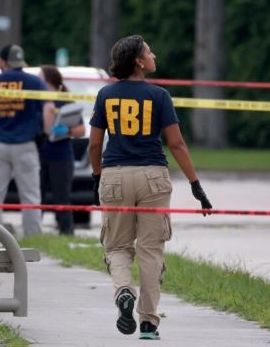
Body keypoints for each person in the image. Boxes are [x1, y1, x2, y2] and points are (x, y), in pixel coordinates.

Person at [88, 35, 213, 340]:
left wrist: (97, 177)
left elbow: (94, 144)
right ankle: (148, 322)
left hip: (115, 174)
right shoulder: (159, 96)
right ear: (139, 62)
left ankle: (123, 292)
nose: (154, 54)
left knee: (116, 246)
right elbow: (177, 143)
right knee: (150, 250)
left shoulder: (105, 94)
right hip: (153, 178)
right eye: (149, 52)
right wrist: (196, 185)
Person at [0, 44, 55, 238]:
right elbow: (49, 109)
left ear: (3, 62)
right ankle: (34, 239)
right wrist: (45, 134)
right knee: (30, 196)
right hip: (26, 145)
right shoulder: (34, 82)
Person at [38, 64, 86, 235]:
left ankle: (66, 232)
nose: (37, 80)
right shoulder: (36, 99)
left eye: (40, 76)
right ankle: (35, 232)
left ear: (49, 80)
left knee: (62, 197)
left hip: (61, 156)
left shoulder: (66, 100)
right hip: (39, 155)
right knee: (37, 197)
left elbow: (82, 130)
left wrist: (68, 131)